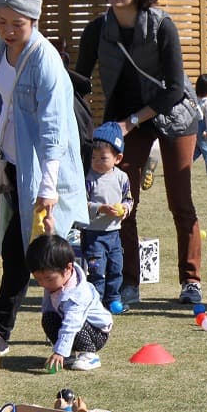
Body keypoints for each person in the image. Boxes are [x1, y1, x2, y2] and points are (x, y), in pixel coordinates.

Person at [75, 0, 204, 307]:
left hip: (172, 115)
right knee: (121, 199)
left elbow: (175, 89)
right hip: (121, 121)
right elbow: (80, 81)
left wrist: (133, 121)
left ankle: (191, 281)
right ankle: (127, 281)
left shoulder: (163, 26)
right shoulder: (97, 29)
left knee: (180, 200)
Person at [0, 0, 89, 356]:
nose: (8, 30)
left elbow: (53, 129)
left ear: (34, 19)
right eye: (1, 21)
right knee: (16, 254)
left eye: (17, 23)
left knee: (57, 262)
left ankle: (79, 338)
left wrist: (47, 190)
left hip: (46, 177)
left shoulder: (45, 60)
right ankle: (1, 331)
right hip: (14, 168)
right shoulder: (4, 50)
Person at [27, 234, 113, 372]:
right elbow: (50, 246)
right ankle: (69, 354)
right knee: (48, 318)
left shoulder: (77, 295)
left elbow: (72, 324)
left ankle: (90, 355)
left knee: (74, 323)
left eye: (48, 279)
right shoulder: (58, 276)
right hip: (71, 322)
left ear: (68, 268)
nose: (43, 284)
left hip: (96, 332)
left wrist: (60, 351)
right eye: (38, 279)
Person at [83, 122, 134, 311]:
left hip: (114, 233)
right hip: (93, 234)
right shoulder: (88, 178)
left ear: (117, 158)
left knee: (115, 268)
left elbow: (129, 199)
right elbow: (82, 203)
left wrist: (125, 209)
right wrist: (100, 208)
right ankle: (95, 302)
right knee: (96, 270)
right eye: (93, 157)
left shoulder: (121, 178)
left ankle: (113, 299)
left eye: (102, 158)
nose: (96, 161)